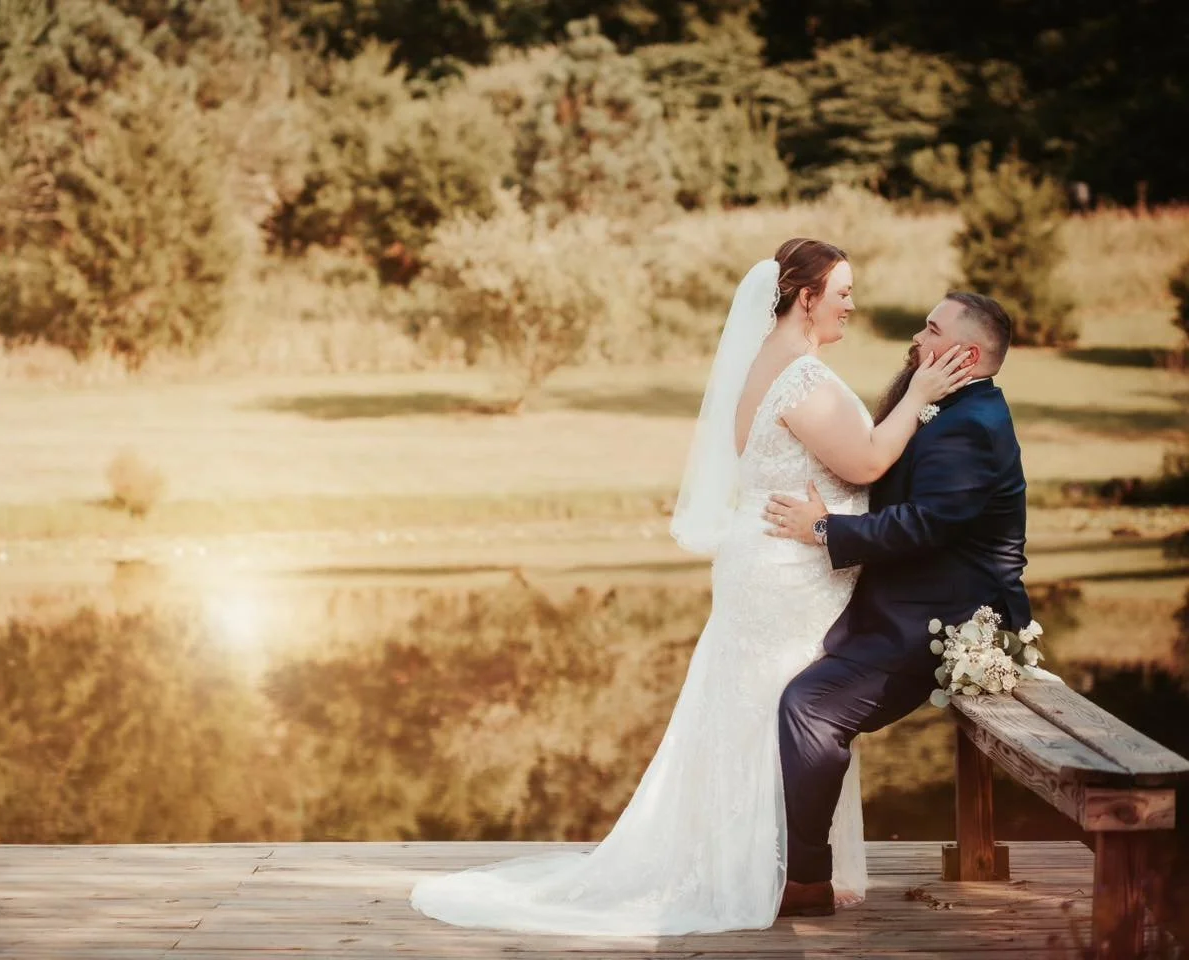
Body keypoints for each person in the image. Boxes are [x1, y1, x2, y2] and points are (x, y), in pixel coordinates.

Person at [409, 239, 974, 935]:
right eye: (844, 292)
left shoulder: (765, 368)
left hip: (768, 563)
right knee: (787, 714)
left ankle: (776, 864)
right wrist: (919, 393)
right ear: (806, 298)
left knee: (758, 710)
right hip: (788, 572)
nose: (853, 305)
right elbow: (861, 463)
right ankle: (770, 870)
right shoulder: (799, 379)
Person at [764, 290, 1031, 918]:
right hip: (912, 606)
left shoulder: (974, 426)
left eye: (930, 329)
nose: (918, 336)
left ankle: (805, 881)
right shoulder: (950, 409)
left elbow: (925, 525)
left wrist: (826, 530)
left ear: (964, 354)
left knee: (809, 708)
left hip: (947, 622)